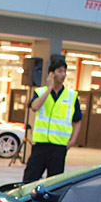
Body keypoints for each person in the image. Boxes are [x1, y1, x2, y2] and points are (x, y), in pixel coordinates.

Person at [22, 54, 81, 183]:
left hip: (59, 146)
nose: (63, 74)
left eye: (64, 71)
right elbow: (34, 107)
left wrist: (72, 141)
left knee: (54, 182)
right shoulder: (41, 92)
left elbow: (77, 120)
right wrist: (49, 89)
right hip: (41, 144)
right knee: (30, 178)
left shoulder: (71, 96)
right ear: (51, 74)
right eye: (60, 71)